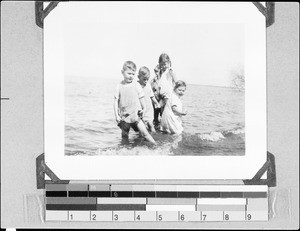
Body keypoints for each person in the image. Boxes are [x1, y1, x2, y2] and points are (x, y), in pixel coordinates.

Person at [114, 61, 157, 145]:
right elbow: (115, 101)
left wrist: (144, 109)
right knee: (124, 136)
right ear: (122, 72)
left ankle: (156, 146)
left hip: (135, 115)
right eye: (129, 73)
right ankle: (124, 151)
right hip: (124, 117)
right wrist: (116, 115)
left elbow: (141, 98)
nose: (131, 76)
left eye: (133, 74)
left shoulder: (136, 85)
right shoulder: (119, 86)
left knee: (145, 133)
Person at [151, 53, 177, 128]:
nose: (163, 66)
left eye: (165, 64)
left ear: (169, 63)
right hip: (158, 95)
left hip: (167, 96)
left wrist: (176, 93)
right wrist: (156, 72)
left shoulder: (170, 72)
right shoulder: (160, 72)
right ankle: (156, 124)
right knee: (156, 111)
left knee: (164, 113)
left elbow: (176, 82)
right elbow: (155, 81)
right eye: (161, 64)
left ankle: (164, 127)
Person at [137, 66, 160, 132]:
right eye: (144, 79)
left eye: (147, 79)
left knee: (151, 124)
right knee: (142, 126)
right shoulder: (137, 85)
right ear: (139, 77)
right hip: (141, 110)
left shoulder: (148, 85)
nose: (146, 81)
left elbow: (152, 96)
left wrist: (156, 103)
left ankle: (154, 136)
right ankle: (143, 139)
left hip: (149, 109)